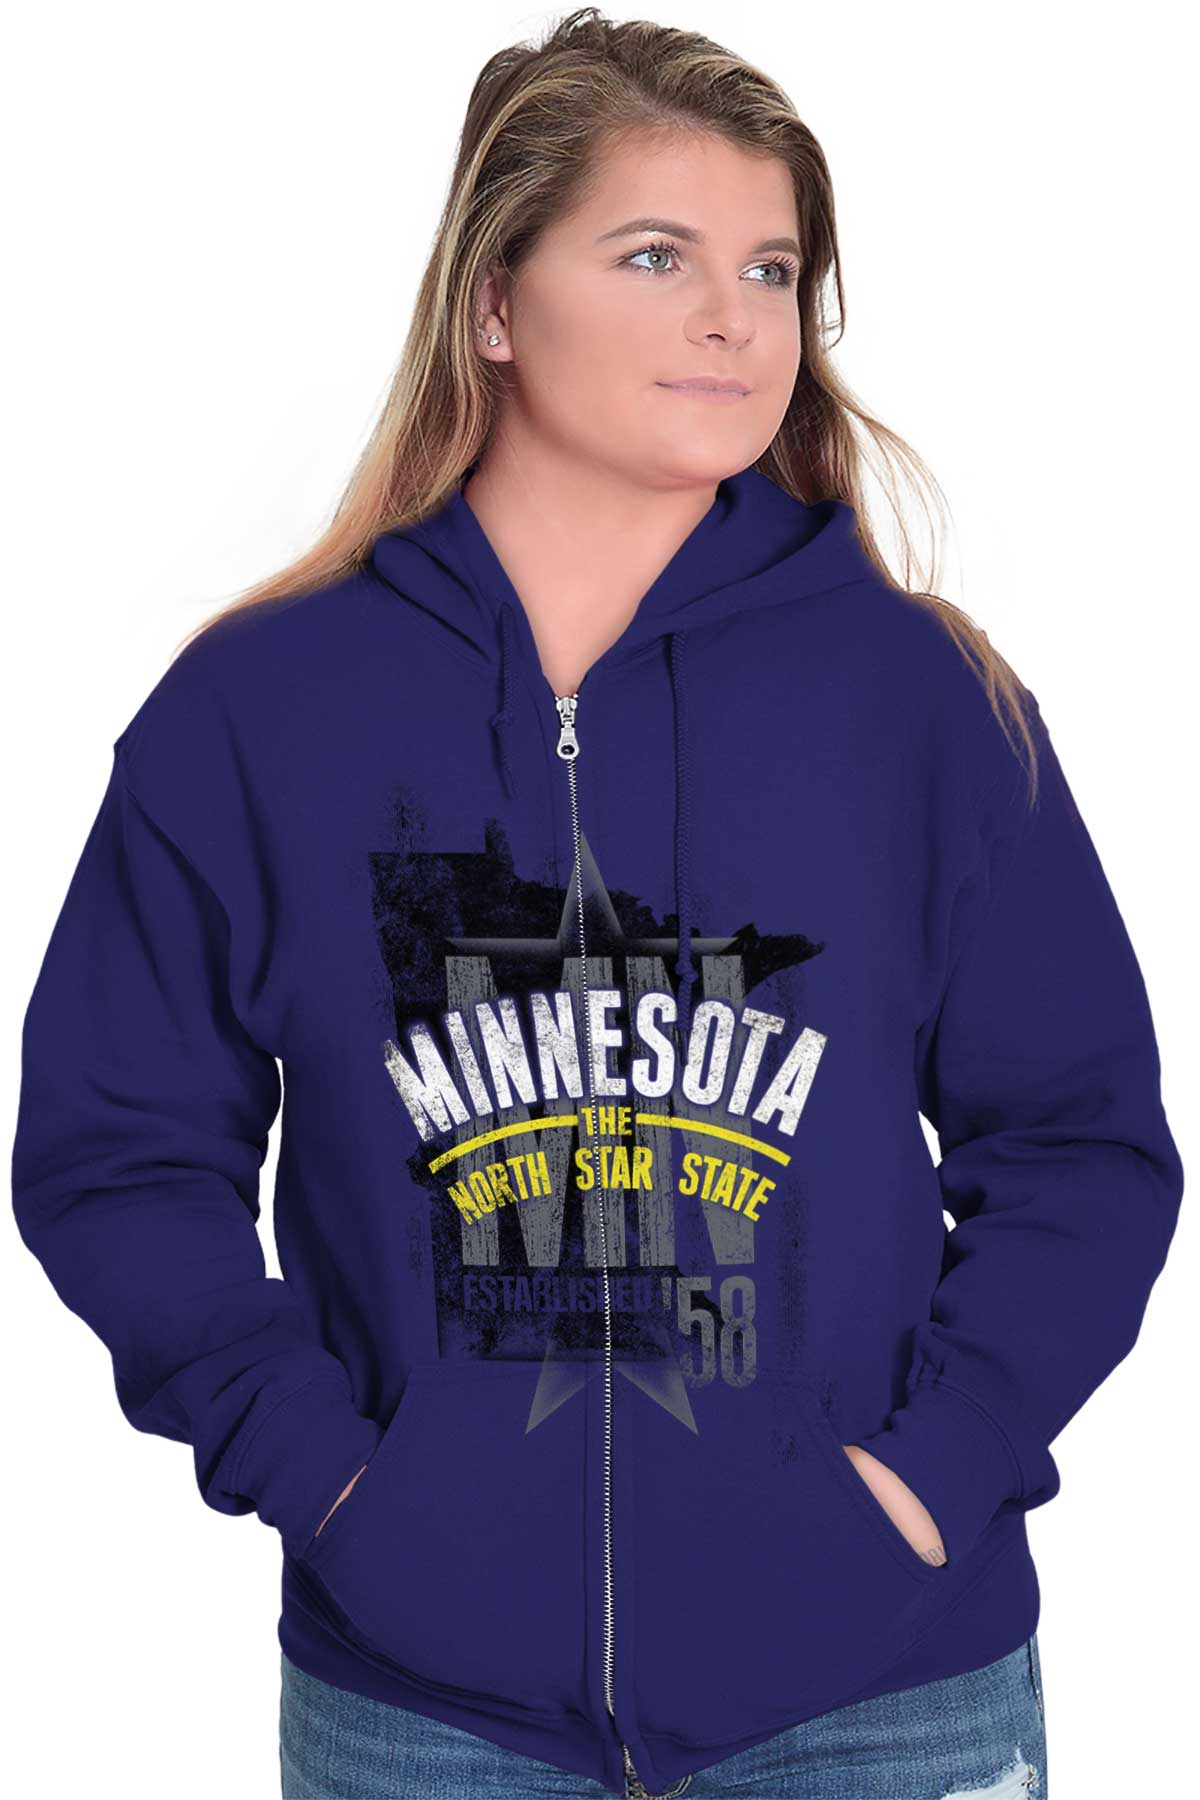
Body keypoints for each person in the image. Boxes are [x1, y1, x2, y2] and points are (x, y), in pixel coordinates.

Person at [11, 9, 1183, 1799]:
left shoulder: (923, 703)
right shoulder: (262, 707)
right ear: (495, 301)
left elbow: (1083, 1144)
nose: (736, 318)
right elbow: (116, 1149)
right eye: (656, 256)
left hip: (881, 1696)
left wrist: (932, 1478)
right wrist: (330, 1479)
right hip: (427, 1712)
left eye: (772, 268)